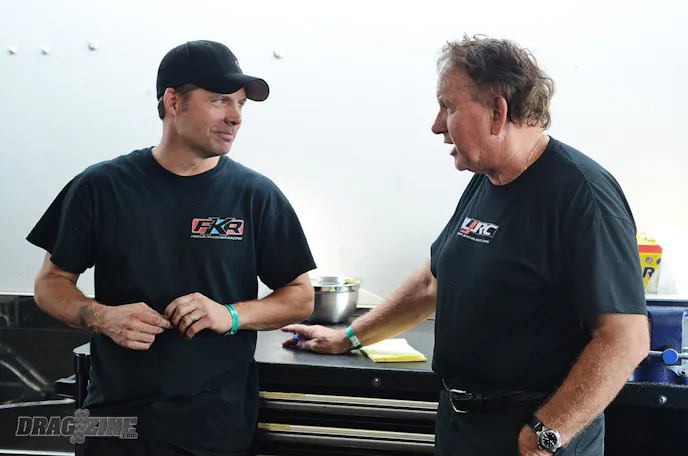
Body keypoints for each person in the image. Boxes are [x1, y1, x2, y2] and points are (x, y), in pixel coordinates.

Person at [282, 35, 650, 456]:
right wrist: (348, 337)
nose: (437, 125)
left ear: (498, 111)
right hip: (463, 425)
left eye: (449, 107)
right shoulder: (487, 180)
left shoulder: (582, 193)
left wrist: (545, 435)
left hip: (531, 433)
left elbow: (625, 339)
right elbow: (432, 283)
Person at [27, 40, 317, 456]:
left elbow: (300, 296)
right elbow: (50, 283)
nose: (236, 116)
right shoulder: (101, 187)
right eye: (219, 100)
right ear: (173, 101)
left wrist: (231, 315)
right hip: (112, 423)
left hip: (215, 428)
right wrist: (100, 315)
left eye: (240, 104)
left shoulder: (256, 196)